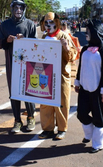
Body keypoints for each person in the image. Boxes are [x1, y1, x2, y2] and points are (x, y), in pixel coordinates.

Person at [0, 0, 37, 133]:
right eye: (15, 7)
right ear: (12, 9)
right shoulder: (5, 25)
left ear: (24, 9)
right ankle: (17, 120)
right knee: (14, 92)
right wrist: (7, 40)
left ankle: (31, 118)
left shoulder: (30, 24)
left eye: (21, 7)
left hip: (28, 65)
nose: (18, 10)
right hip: (12, 64)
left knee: (29, 91)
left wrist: (25, 40)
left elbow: (36, 45)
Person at [74, 19, 103, 153]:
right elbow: (81, 67)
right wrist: (77, 82)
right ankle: (90, 134)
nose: (86, 34)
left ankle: (98, 144)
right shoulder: (85, 49)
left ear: (96, 33)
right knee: (81, 114)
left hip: (99, 91)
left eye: (88, 32)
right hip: (85, 89)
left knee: (99, 119)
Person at [38, 12, 78, 140]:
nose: (49, 26)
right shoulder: (44, 37)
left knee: (62, 102)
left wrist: (66, 48)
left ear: (57, 23)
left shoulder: (64, 36)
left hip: (61, 75)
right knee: (45, 103)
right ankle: (47, 129)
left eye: (51, 23)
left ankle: (62, 128)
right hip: (46, 74)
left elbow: (73, 54)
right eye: (46, 23)